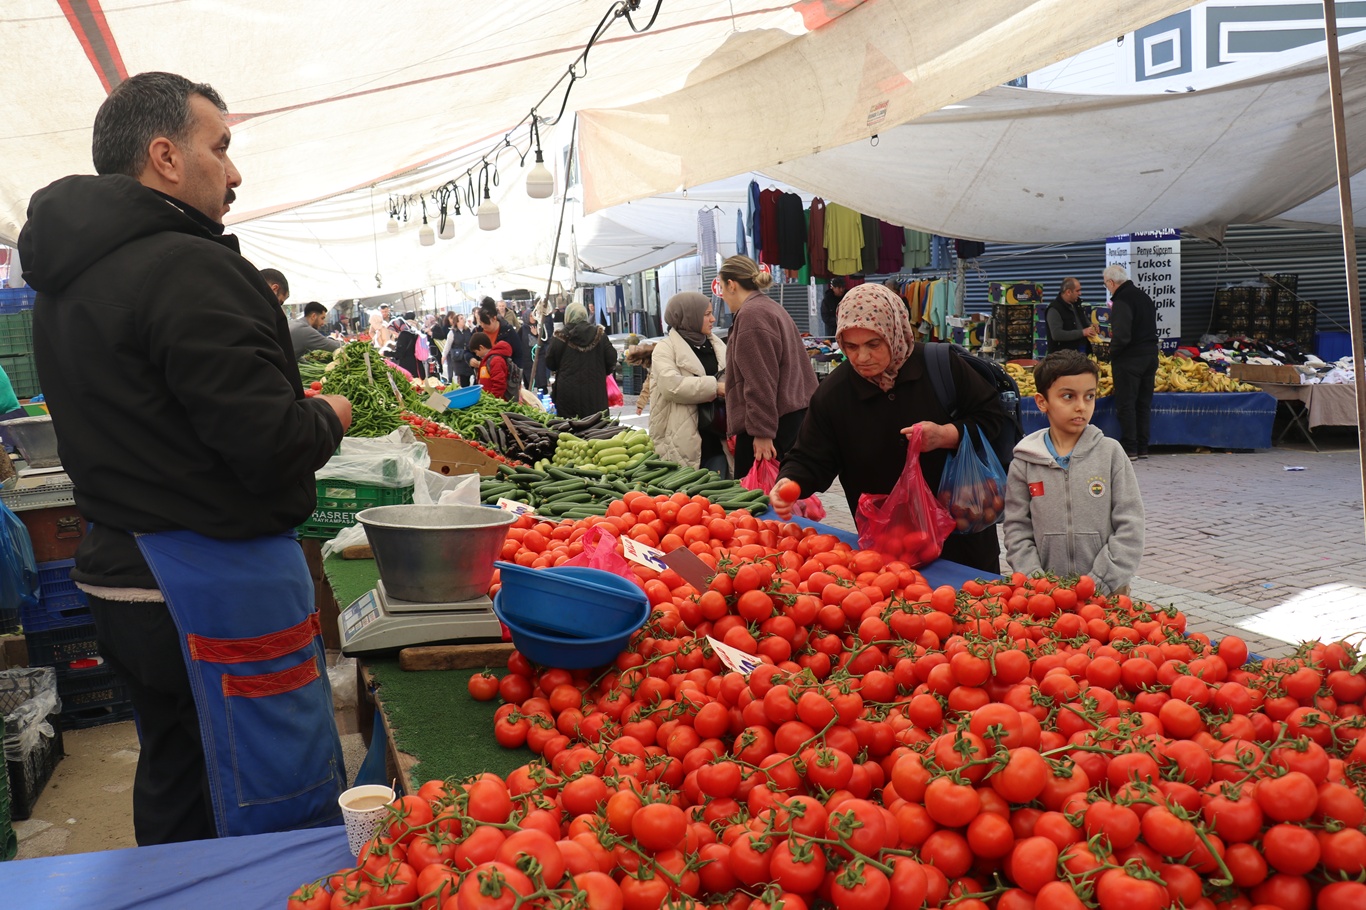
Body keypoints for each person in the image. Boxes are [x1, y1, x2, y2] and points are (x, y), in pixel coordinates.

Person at [17, 71, 351, 845]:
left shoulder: (66, 280)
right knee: (268, 799)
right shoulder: (187, 265)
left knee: (178, 773)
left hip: (121, 575)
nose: (235, 173)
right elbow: (270, 446)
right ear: (165, 157)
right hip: (207, 585)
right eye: (220, 147)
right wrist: (328, 414)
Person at [768, 283, 1005, 573]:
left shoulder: (943, 367)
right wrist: (789, 481)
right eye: (851, 347)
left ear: (894, 331)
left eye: (873, 344)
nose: (862, 358)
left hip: (963, 537)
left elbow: (994, 419)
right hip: (891, 548)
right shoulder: (834, 394)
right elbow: (811, 457)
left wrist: (946, 436)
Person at [1003, 350, 1144, 594]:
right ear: (1042, 402)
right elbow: (1017, 530)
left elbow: (1130, 525)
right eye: (1068, 396)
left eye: (1089, 396)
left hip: (1107, 593)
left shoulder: (1111, 453)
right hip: (1046, 596)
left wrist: (1099, 582)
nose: (1081, 406)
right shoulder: (1024, 462)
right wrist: (1037, 582)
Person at [716, 255, 818, 480]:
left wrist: (762, 433)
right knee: (780, 491)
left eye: (721, 288)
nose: (722, 296)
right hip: (787, 418)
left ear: (731, 285)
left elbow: (760, 380)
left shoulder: (752, 315)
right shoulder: (768, 307)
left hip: (772, 425)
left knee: (756, 496)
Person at [650, 292, 729, 475]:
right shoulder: (665, 348)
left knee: (720, 489)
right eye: (707, 314)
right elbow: (672, 386)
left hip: (718, 437)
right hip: (681, 438)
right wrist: (715, 388)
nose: (713, 319)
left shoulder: (717, 345)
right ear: (689, 317)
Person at [1103, 264, 1160, 459]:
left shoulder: (1122, 301)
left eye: (1106, 284)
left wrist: (1111, 352)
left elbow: (1122, 336)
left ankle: (1130, 448)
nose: (1107, 288)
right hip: (1150, 356)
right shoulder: (1144, 296)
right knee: (1143, 404)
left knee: (1126, 404)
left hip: (1130, 359)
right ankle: (1143, 447)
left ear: (1112, 282)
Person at [546, 302, 617, 418]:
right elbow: (611, 358)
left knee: (570, 427)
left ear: (568, 316)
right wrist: (601, 372)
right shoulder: (600, 335)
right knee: (597, 426)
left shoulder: (560, 337)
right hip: (595, 393)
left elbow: (550, 363)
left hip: (567, 396)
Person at [1046, 277, 1097, 354]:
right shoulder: (1054, 309)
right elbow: (1057, 334)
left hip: (1081, 351)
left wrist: (1091, 325)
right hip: (1063, 356)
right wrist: (1082, 333)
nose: (1080, 293)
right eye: (1077, 291)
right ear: (1068, 292)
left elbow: (1083, 320)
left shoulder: (1076, 304)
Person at [476, 298, 527, 376]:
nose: (482, 326)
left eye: (486, 323)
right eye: (481, 323)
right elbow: (470, 350)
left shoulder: (508, 331)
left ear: (494, 318)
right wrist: (471, 359)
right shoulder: (478, 331)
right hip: (484, 375)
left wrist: (516, 374)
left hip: (504, 374)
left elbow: (518, 354)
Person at [469, 330, 513, 399]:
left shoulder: (496, 360)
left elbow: (499, 384)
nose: (476, 355)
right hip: (488, 399)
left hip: (497, 401)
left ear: (481, 347)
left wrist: (492, 400)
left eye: (476, 352)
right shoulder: (486, 360)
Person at [446, 313, 474, 387]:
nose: (463, 319)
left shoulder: (468, 330)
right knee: (463, 378)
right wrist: (444, 356)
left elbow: (475, 334)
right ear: (457, 321)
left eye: (463, 318)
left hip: (468, 356)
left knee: (468, 376)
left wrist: (471, 325)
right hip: (459, 358)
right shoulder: (452, 332)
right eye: (461, 318)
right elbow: (448, 345)